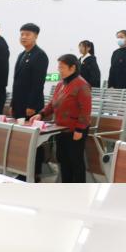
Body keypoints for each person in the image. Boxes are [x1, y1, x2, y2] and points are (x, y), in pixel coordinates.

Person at [38, 55, 92, 183]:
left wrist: (79, 129)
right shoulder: (60, 84)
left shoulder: (82, 84)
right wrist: (41, 114)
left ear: (72, 68)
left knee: (75, 161)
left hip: (75, 130)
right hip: (61, 128)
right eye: (59, 67)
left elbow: (85, 110)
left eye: (62, 67)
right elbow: (53, 103)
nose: (59, 70)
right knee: (63, 159)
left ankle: (79, 189)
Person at [10, 23, 47, 119]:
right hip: (18, 104)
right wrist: (13, 104)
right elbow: (16, 81)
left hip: (30, 107)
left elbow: (38, 83)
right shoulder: (21, 55)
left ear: (36, 36)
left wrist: (32, 106)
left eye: (27, 34)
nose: (23, 37)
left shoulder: (40, 55)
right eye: (22, 34)